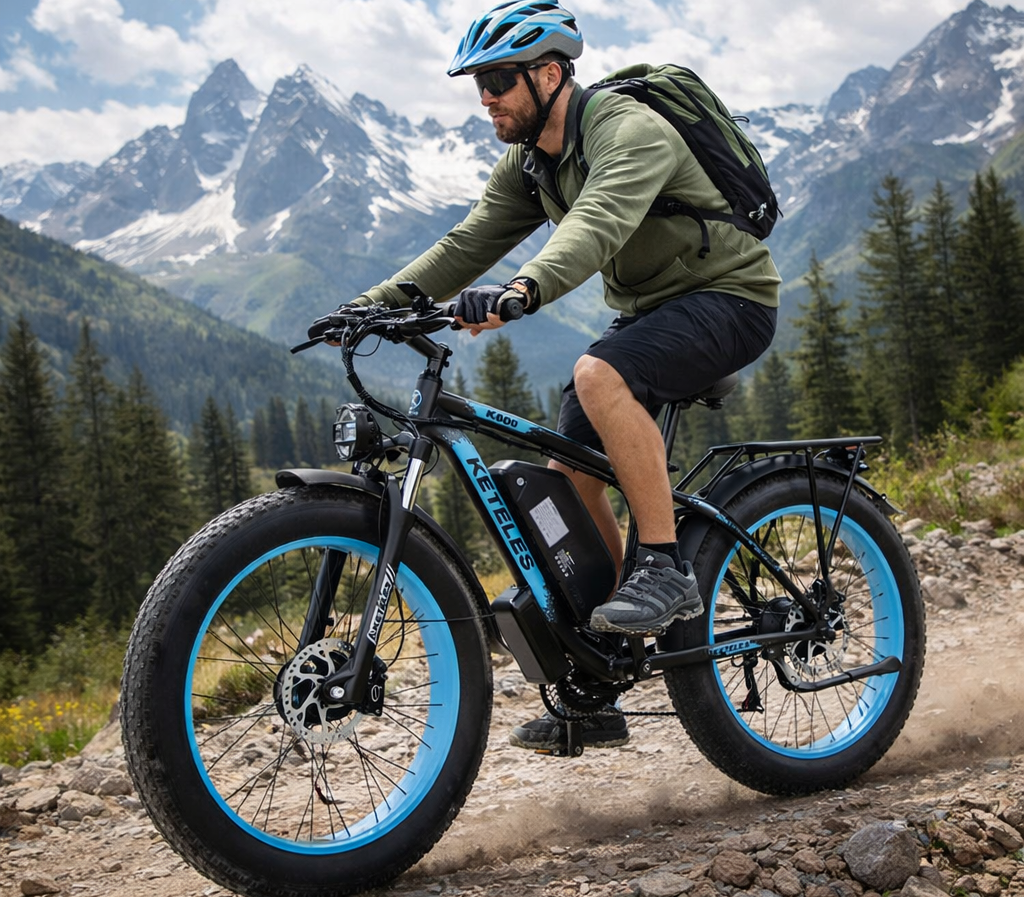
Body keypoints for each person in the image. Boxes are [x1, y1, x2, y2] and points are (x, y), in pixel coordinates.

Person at [311, 0, 781, 752]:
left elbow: (597, 222)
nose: (486, 96)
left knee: (598, 373)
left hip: (728, 299)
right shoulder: (529, 164)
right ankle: (603, 676)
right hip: (650, 314)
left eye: (498, 78)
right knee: (565, 479)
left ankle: (663, 567)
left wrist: (523, 290)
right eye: (478, 83)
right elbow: (466, 243)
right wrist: (367, 307)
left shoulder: (628, 129)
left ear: (551, 73)